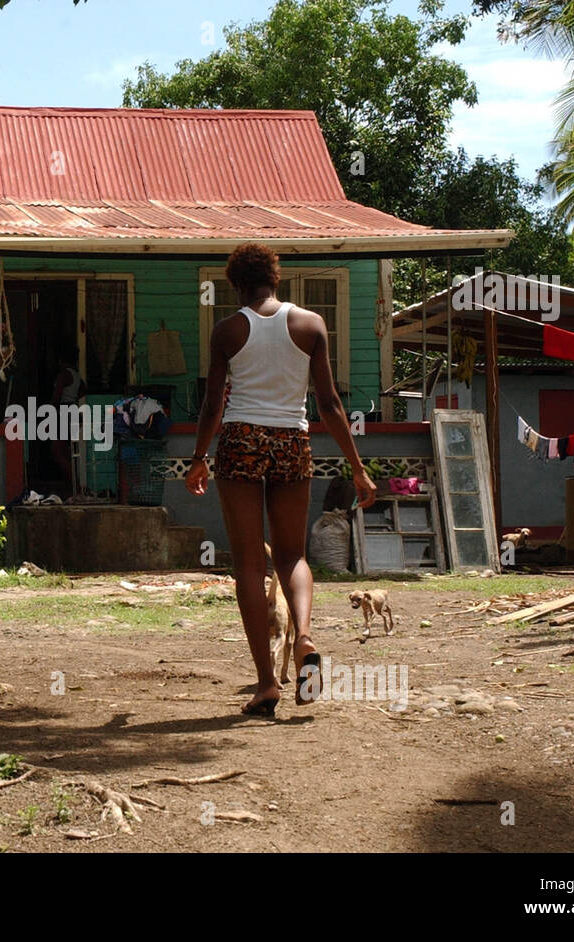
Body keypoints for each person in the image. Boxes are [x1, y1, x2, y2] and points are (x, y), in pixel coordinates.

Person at [186, 243, 376, 715]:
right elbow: (330, 404)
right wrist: (357, 466)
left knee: (250, 562)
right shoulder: (310, 324)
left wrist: (198, 457)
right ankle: (305, 639)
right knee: (292, 554)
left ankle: (266, 684)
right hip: (293, 440)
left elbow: (213, 403)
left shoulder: (228, 330)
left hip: (242, 441)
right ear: (276, 277)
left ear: (235, 284)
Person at [49, 346, 86, 495]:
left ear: (61, 360)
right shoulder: (77, 375)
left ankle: (75, 486)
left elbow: (56, 395)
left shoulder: (64, 375)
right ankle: (71, 487)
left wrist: (50, 411)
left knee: (57, 451)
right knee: (66, 451)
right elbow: (83, 390)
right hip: (74, 411)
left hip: (64, 412)